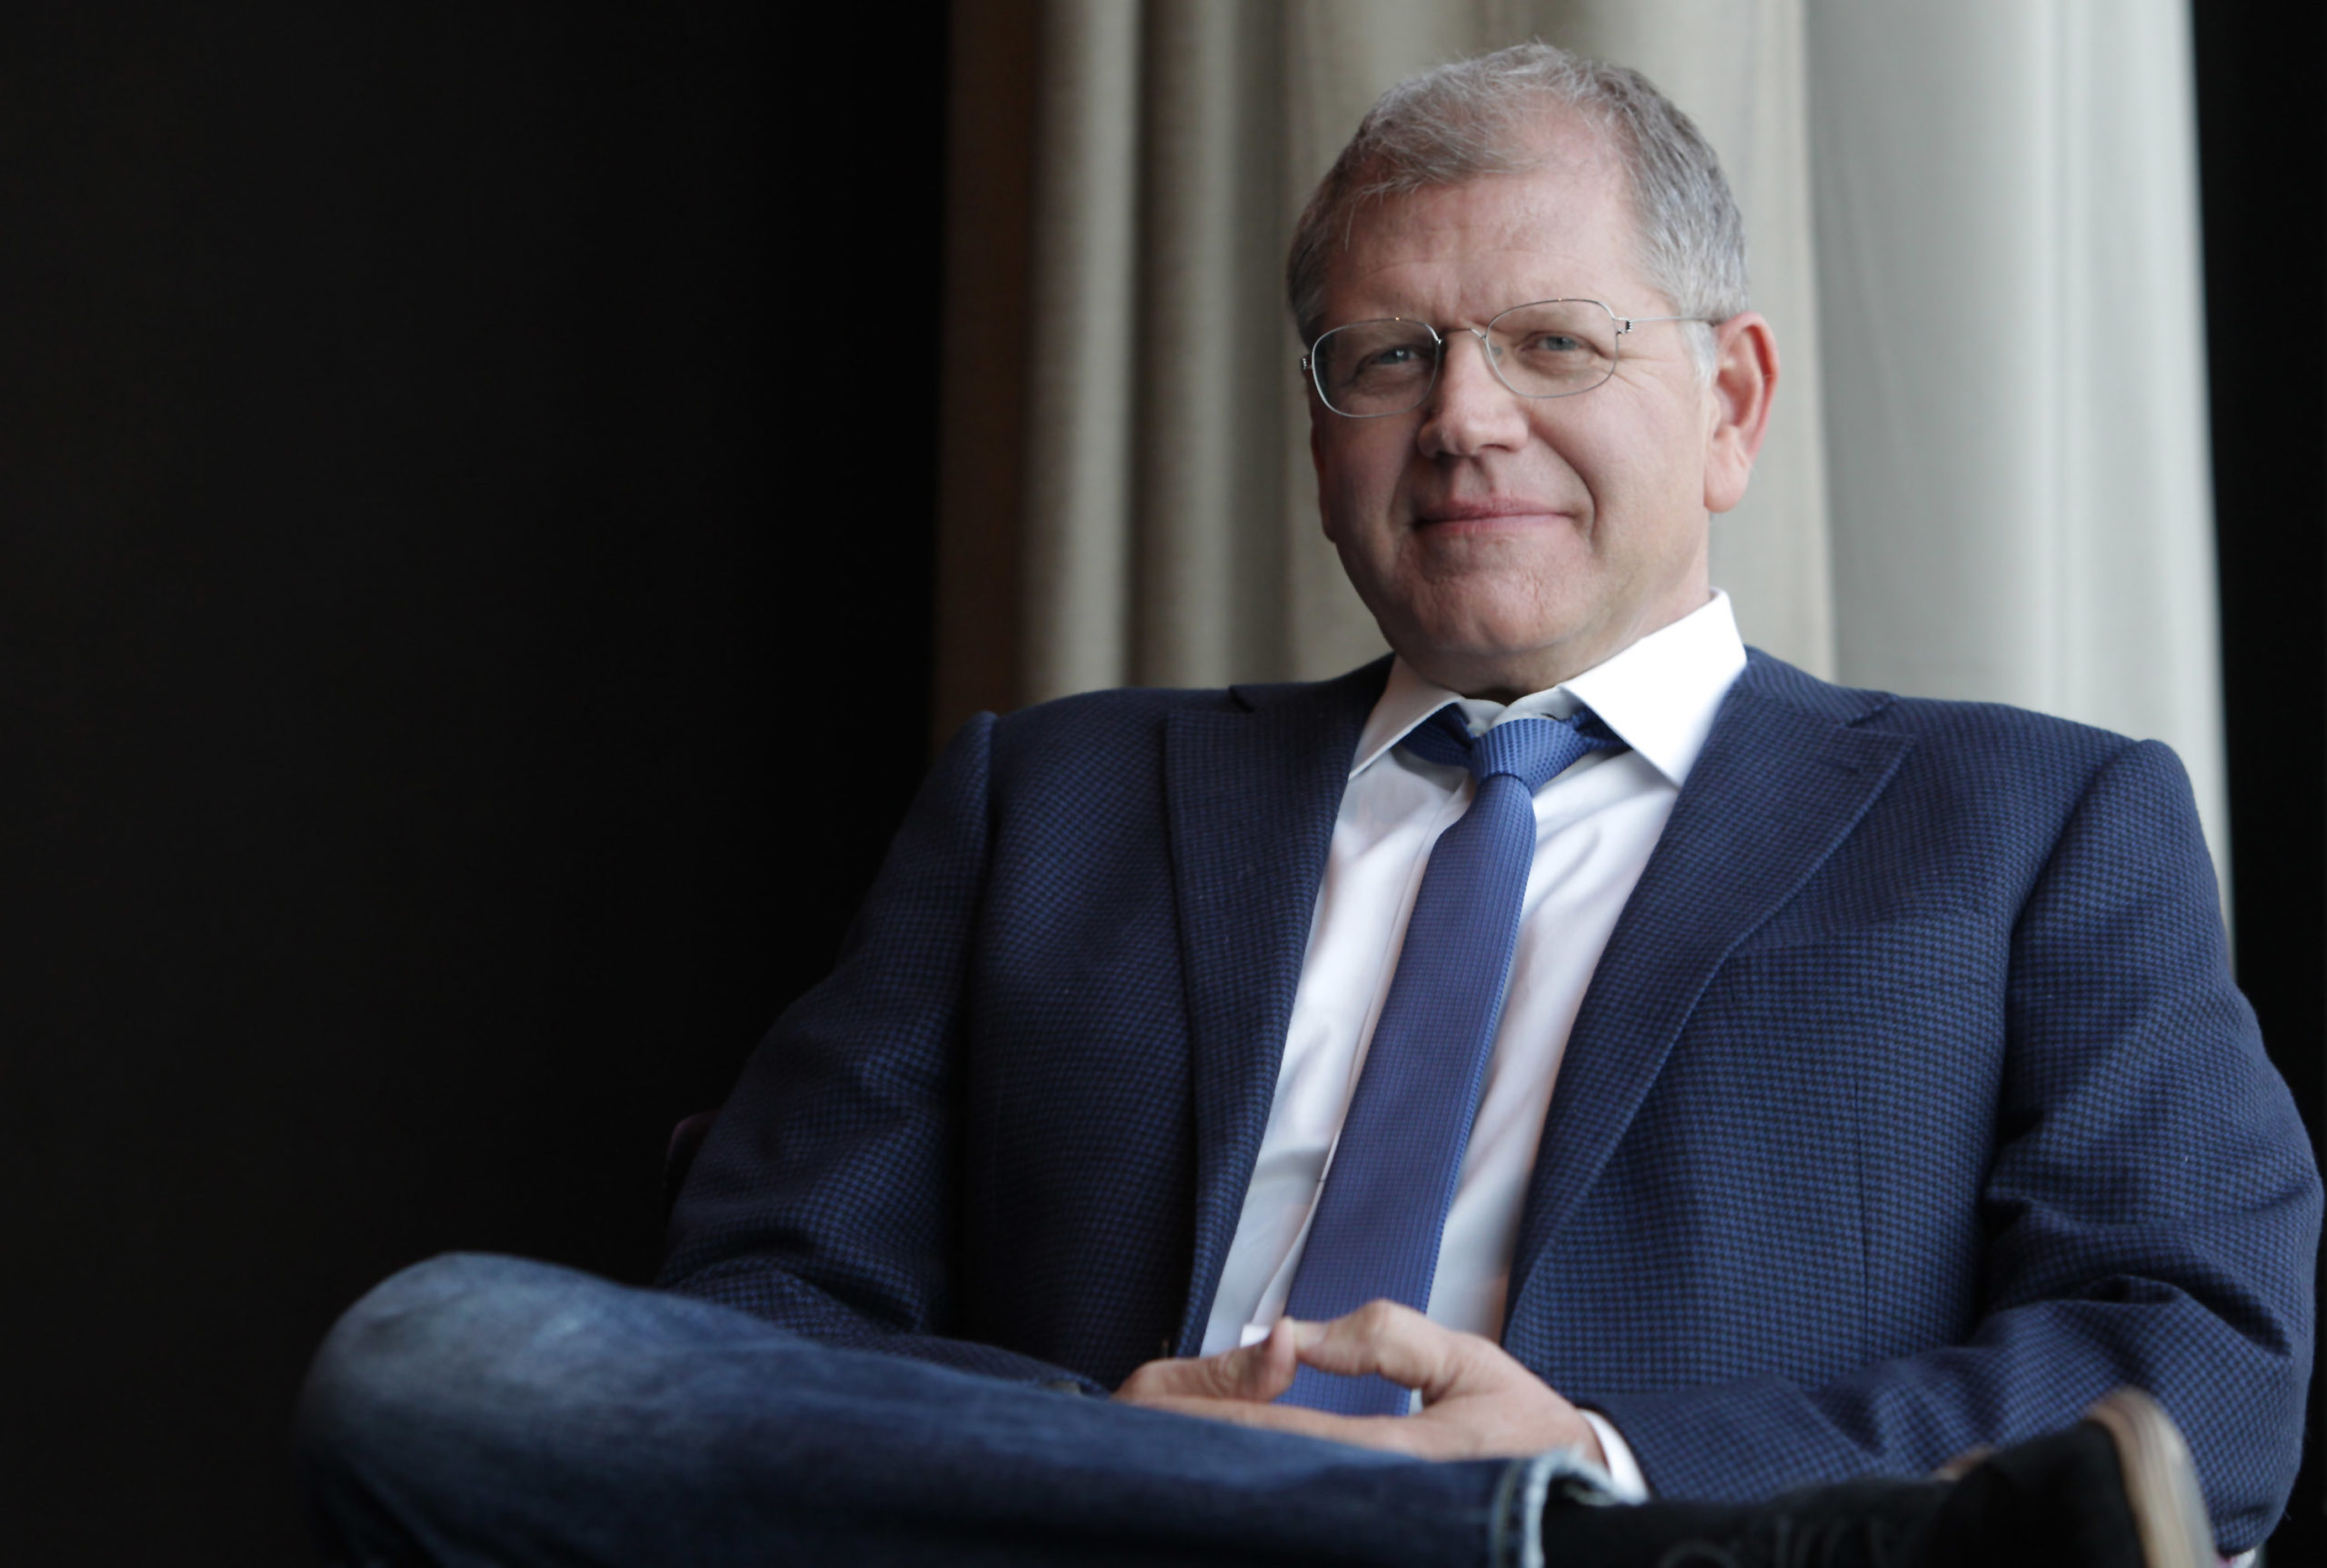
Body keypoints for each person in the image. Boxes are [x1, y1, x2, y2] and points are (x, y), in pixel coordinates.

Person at [296, 41, 2318, 1566]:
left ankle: (1543, 1526)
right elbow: (757, 1310)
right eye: (1389, 355)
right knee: (430, 1352)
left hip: (1653, 1536)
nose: (1464, 417)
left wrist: (1607, 1459)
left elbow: (2200, 1367)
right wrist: (1128, 1439)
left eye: (1552, 341)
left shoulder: (2026, 821)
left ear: (1728, 402)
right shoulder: (1047, 801)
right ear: (1318, 431)